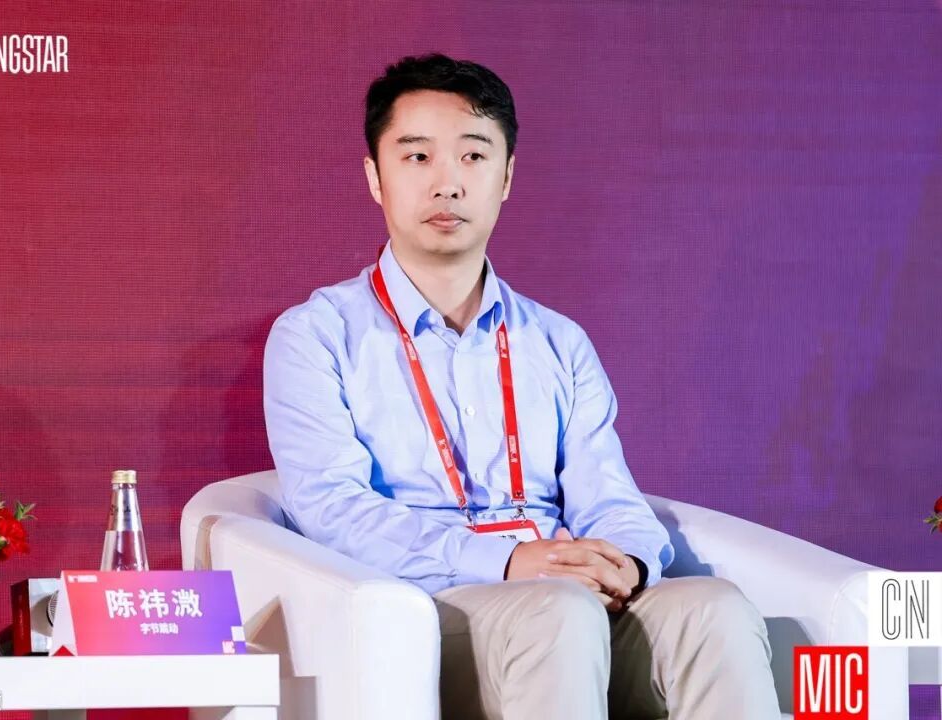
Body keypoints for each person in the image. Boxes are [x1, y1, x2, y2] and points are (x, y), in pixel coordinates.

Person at [263, 52, 781, 720]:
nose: (447, 184)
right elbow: (333, 510)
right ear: (375, 177)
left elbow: (608, 493)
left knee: (714, 609)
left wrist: (626, 562)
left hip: (565, 596)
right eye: (417, 157)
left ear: (506, 177)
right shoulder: (315, 335)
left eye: (473, 157)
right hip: (423, 612)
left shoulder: (558, 341)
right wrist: (506, 562)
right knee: (556, 610)